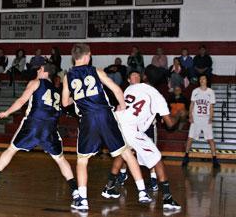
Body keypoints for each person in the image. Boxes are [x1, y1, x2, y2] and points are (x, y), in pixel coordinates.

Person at [62, 43, 151, 212]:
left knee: (82, 161)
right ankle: (142, 192)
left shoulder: (68, 76)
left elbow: (65, 102)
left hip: (87, 119)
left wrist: (78, 99)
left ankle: (83, 200)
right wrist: (123, 106)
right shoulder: (97, 71)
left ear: (74, 57)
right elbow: (117, 90)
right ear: (88, 56)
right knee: (126, 153)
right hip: (104, 115)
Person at [0, 64, 79, 208]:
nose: (36, 70)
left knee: (11, 149)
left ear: (44, 71)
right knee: (60, 159)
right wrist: (77, 96)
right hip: (50, 127)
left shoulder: (35, 82)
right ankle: (75, 191)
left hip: (34, 124)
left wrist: (7, 112)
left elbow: (22, 101)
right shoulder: (57, 91)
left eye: (39, 69)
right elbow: (66, 104)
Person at [115, 69, 181, 210]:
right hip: (132, 129)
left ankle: (111, 184)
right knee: (155, 158)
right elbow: (170, 124)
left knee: (125, 153)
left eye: (137, 75)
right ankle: (166, 197)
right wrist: (179, 115)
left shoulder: (129, 89)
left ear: (144, 78)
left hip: (120, 125)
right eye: (133, 75)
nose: (136, 77)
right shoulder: (157, 96)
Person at [182, 75, 220, 168]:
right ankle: (186, 157)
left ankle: (214, 159)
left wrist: (211, 117)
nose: (202, 80)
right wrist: (190, 115)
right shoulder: (195, 91)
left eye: (204, 79)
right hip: (196, 118)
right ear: (199, 81)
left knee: (210, 139)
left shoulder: (211, 92)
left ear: (207, 80)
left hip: (206, 119)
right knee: (190, 138)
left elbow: (211, 106)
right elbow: (192, 104)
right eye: (200, 79)